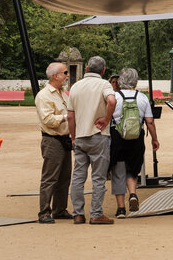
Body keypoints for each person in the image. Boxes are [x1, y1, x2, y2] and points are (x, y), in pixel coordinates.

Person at [67, 56, 116, 225]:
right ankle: (95, 213)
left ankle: (78, 214)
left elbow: (70, 116)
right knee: (98, 178)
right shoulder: (104, 84)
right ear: (103, 70)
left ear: (86, 68)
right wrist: (106, 119)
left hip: (80, 135)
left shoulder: (75, 86)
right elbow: (111, 100)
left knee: (78, 177)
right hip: (98, 135)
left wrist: (73, 137)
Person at [109, 68, 159, 218]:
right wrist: (154, 139)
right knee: (133, 168)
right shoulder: (142, 97)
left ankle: (120, 209)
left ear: (120, 81)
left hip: (117, 137)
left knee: (118, 171)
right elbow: (149, 121)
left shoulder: (114, 97)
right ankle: (132, 194)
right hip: (137, 137)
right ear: (135, 81)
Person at [35, 62, 73, 223]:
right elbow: (48, 120)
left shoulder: (63, 93)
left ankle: (59, 209)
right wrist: (66, 117)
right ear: (55, 75)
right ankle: (44, 212)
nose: (67, 75)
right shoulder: (44, 95)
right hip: (52, 140)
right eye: (65, 72)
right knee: (50, 177)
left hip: (64, 139)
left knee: (64, 177)